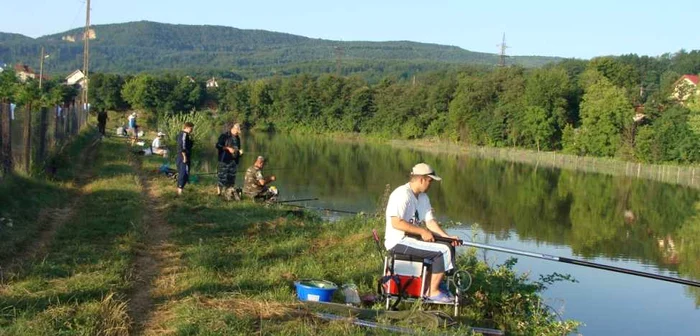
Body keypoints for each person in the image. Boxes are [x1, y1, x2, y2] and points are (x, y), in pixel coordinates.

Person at [384, 163, 460, 303]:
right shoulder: (402, 194)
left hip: (412, 239)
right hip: (398, 241)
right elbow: (396, 223)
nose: (431, 185)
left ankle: (434, 283)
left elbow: (430, 222)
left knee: (448, 245)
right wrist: (421, 231)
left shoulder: (423, 197)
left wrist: (447, 237)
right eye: (430, 181)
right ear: (421, 179)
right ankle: (432, 291)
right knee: (442, 251)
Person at [215, 123, 243, 199]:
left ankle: (229, 193)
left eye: (238, 132)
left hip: (234, 161)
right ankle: (219, 193)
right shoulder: (224, 136)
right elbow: (218, 145)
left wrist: (240, 152)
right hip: (224, 160)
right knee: (222, 177)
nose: (237, 133)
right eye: (237, 131)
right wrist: (227, 148)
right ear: (233, 129)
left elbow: (238, 148)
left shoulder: (237, 138)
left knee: (231, 178)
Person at [176, 122, 194, 196]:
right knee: (184, 173)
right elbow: (182, 146)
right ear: (188, 127)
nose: (192, 130)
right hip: (183, 157)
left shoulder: (186, 135)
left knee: (184, 173)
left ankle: (180, 190)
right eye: (192, 128)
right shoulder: (183, 134)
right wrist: (184, 157)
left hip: (184, 156)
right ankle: (180, 191)